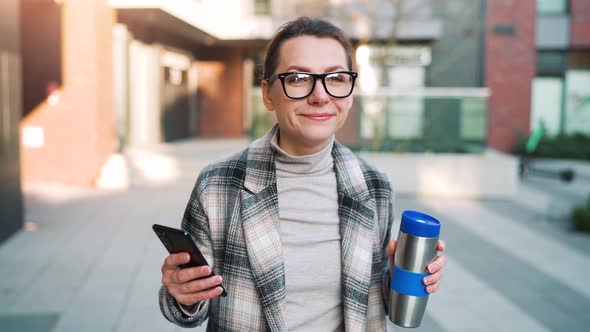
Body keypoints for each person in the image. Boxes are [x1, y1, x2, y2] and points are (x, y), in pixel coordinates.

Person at [159, 16, 447, 331]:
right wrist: (182, 294)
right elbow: (187, 309)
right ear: (268, 93)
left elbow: (368, 307)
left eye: (336, 78)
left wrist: (397, 279)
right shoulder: (218, 185)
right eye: (297, 78)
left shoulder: (374, 185)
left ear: (349, 93)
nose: (320, 96)